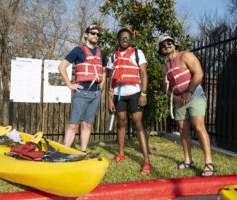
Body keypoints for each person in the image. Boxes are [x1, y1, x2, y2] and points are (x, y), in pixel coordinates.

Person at [159, 36, 215, 177]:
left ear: (174, 45)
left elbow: (199, 73)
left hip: (195, 96)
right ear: (161, 50)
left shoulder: (186, 56)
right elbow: (166, 89)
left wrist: (189, 92)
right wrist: (175, 97)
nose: (167, 45)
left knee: (198, 126)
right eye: (163, 45)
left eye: (169, 42)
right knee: (183, 130)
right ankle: (188, 160)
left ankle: (208, 162)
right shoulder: (165, 68)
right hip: (180, 101)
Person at [108, 28, 151, 176]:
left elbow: (144, 74)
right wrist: (109, 99)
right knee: (121, 122)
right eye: (122, 37)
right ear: (118, 39)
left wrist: (143, 94)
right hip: (119, 94)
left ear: (130, 39)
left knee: (138, 123)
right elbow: (110, 78)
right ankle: (121, 153)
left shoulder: (138, 53)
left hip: (135, 93)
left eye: (127, 37)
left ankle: (146, 160)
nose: (125, 39)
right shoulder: (113, 56)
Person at [58, 25, 106, 152]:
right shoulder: (77, 51)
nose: (96, 36)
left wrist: (101, 86)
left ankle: (83, 151)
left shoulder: (101, 53)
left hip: (96, 93)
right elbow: (62, 67)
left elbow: (104, 71)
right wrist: (70, 84)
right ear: (86, 35)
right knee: (73, 125)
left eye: (98, 34)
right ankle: (64, 152)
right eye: (93, 33)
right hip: (82, 92)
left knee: (88, 125)